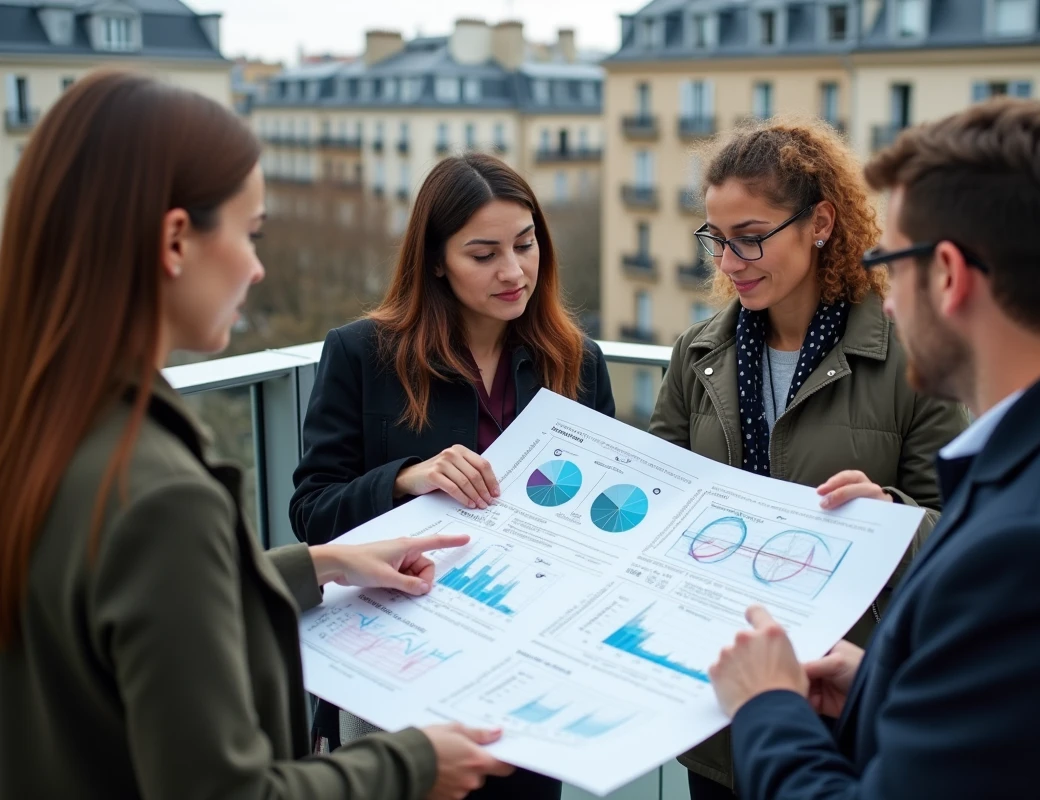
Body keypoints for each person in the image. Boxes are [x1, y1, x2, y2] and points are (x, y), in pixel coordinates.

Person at [0, 71, 515, 800]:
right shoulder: (159, 495)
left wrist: (323, 564)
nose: (258, 266)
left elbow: (129, 618)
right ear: (176, 239)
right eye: (250, 233)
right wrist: (413, 764)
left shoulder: (40, 419)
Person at [708, 98, 1040, 799]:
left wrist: (767, 707)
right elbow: (1029, 734)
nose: (890, 299)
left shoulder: (1037, 548)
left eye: (891, 262)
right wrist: (878, 689)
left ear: (947, 274)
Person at [647, 118, 967, 798]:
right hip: (717, 700)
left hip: (842, 701)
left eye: (751, 238)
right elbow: (657, 502)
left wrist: (891, 516)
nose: (729, 262)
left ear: (820, 223)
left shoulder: (911, 357)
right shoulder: (697, 354)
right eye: (717, 240)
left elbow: (966, 534)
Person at [291, 152, 616, 799]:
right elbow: (311, 512)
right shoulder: (362, 354)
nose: (514, 270)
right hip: (398, 678)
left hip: (527, 679)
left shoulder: (576, 360)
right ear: (436, 259)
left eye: (526, 245)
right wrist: (405, 477)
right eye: (484, 253)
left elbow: (601, 516)